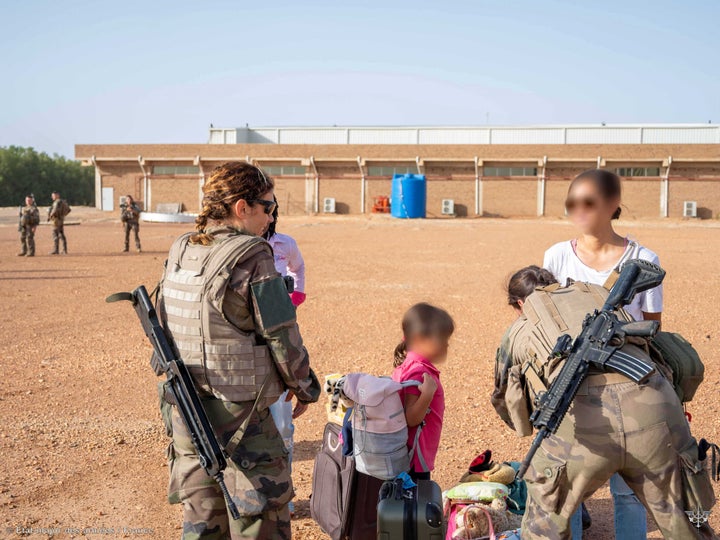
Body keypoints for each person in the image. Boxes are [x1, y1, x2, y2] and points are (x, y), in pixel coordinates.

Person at [157, 161, 321, 539]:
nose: (271, 216)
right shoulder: (252, 254)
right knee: (260, 518)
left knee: (203, 523)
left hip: (187, 413)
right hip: (242, 418)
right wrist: (305, 388)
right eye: (267, 207)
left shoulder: (182, 249)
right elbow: (282, 334)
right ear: (241, 207)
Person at [492, 265, 716, 540]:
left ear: (520, 303)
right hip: (655, 407)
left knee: (543, 526)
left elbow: (504, 398)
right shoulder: (597, 295)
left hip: (580, 428)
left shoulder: (521, 326)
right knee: (687, 526)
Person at [543, 169, 662, 539]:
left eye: (589, 202)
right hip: (576, 386)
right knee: (572, 491)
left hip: (631, 389)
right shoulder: (557, 256)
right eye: (572, 203)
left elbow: (655, 330)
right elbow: (546, 321)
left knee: (628, 491)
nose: (579, 210)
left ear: (613, 205)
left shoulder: (643, 259)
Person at [263, 201, 307, 516]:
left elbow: (298, 267)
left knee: (282, 428)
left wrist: (297, 295)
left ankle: (282, 498)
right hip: (244, 352)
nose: (268, 217)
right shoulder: (234, 248)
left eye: (271, 211)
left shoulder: (284, 244)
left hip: (278, 337)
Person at [391, 303, 454, 481]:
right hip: (414, 458)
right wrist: (426, 395)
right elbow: (411, 417)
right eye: (442, 340)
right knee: (415, 502)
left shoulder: (410, 366)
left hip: (410, 454)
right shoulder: (418, 372)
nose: (447, 345)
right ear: (419, 339)